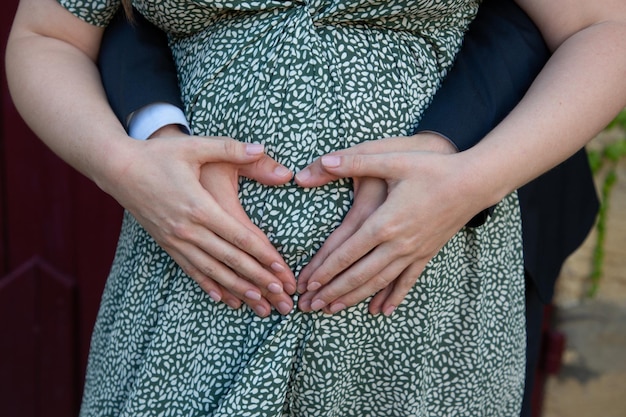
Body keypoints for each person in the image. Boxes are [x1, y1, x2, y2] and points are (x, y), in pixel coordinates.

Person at [6, 0, 626, 416]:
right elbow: (47, 35)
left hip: (419, 303)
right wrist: (124, 165)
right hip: (187, 291)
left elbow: (601, 27)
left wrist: (471, 180)